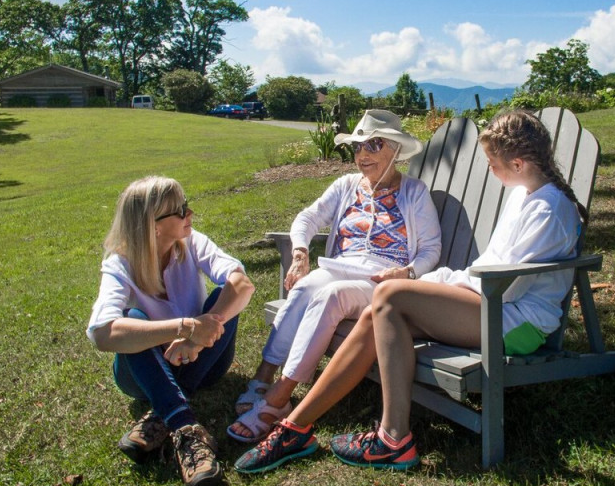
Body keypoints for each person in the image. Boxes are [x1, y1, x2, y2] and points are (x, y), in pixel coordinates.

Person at [233, 109, 588, 474]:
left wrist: (437, 280)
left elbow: (506, 288)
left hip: (513, 321)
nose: (490, 171)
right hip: (488, 300)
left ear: (517, 162)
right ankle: (301, 427)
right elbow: (493, 272)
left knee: (390, 296)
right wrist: (441, 282)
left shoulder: (547, 209)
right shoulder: (523, 192)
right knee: (376, 314)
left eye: (492, 164)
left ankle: (389, 436)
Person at [227, 109, 441, 443]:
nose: (362, 155)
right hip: (342, 267)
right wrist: (300, 253)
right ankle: (263, 376)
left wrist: (407, 271)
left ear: (395, 150)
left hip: (382, 282)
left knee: (332, 295)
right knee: (306, 286)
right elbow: (307, 218)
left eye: (373, 145)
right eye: (358, 147)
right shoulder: (345, 186)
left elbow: (430, 249)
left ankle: (280, 397)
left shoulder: (414, 192)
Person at [87, 176, 255, 486]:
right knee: (130, 317)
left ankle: (160, 415)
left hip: (204, 360)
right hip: (141, 375)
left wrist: (198, 336)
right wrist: (184, 327)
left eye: (186, 206)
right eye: (180, 211)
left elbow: (243, 284)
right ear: (152, 224)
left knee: (225, 296)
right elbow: (102, 332)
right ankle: (185, 427)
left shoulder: (192, 242)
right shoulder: (120, 264)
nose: (190, 214)